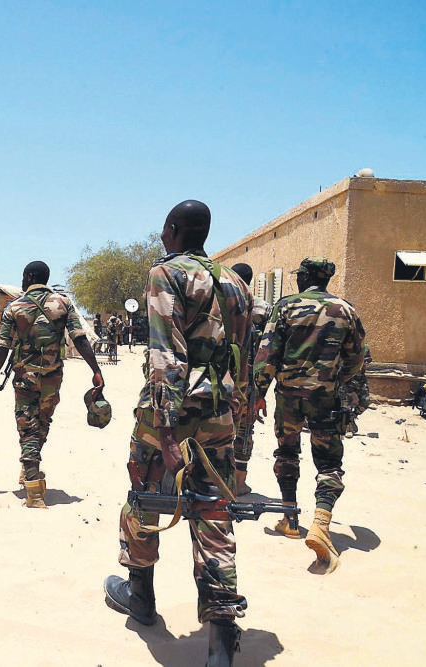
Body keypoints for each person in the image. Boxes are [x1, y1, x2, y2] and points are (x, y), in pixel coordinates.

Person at [103, 200, 251, 664]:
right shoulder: (236, 282)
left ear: (172, 230)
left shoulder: (166, 274)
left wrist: (166, 432)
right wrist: (238, 421)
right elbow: (243, 359)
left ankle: (140, 596)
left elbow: (166, 353)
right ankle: (222, 643)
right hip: (220, 414)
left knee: (146, 499)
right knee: (213, 514)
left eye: (164, 231)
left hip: (170, 414)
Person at [254, 256, 365, 574]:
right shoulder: (346, 310)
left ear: (303, 278)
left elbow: (268, 353)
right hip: (325, 398)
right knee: (329, 463)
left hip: (288, 397)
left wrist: (258, 394)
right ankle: (320, 523)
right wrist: (336, 380)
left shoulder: (286, 307)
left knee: (287, 452)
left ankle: (290, 519)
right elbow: (357, 358)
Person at [0, 261, 104, 508]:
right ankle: (30, 468)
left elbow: (2, 347)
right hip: (53, 378)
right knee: (43, 423)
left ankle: (34, 492)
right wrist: (96, 369)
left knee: (27, 427)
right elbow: (79, 339)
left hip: (25, 379)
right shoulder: (63, 304)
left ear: (28, 277)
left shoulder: (14, 307)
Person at [228, 262, 272, 495]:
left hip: (219, 379)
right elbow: (268, 349)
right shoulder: (263, 308)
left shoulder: (217, 302)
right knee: (244, 431)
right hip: (249, 381)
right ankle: (239, 481)